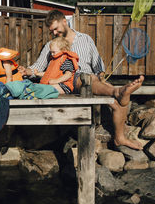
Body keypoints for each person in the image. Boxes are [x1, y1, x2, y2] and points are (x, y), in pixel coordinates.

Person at [19, 10, 144, 150]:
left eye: (56, 29)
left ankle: (119, 138)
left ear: (64, 22)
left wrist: (101, 76)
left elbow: (98, 65)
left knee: (116, 102)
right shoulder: (52, 45)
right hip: (69, 81)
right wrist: (26, 71)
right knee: (93, 80)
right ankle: (118, 91)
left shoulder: (86, 39)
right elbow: (37, 67)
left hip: (92, 80)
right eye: (52, 31)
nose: (54, 33)